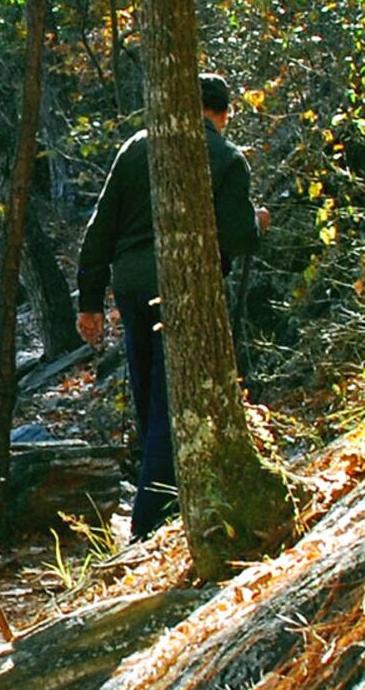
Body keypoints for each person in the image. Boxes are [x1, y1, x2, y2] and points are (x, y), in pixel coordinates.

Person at [70, 73, 262, 539]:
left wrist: (90, 300)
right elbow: (239, 237)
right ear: (223, 113)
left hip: (131, 286)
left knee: (149, 393)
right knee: (171, 400)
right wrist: (258, 223)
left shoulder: (138, 146)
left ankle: (159, 500)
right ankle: (151, 520)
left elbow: (101, 227)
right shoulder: (226, 157)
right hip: (183, 287)